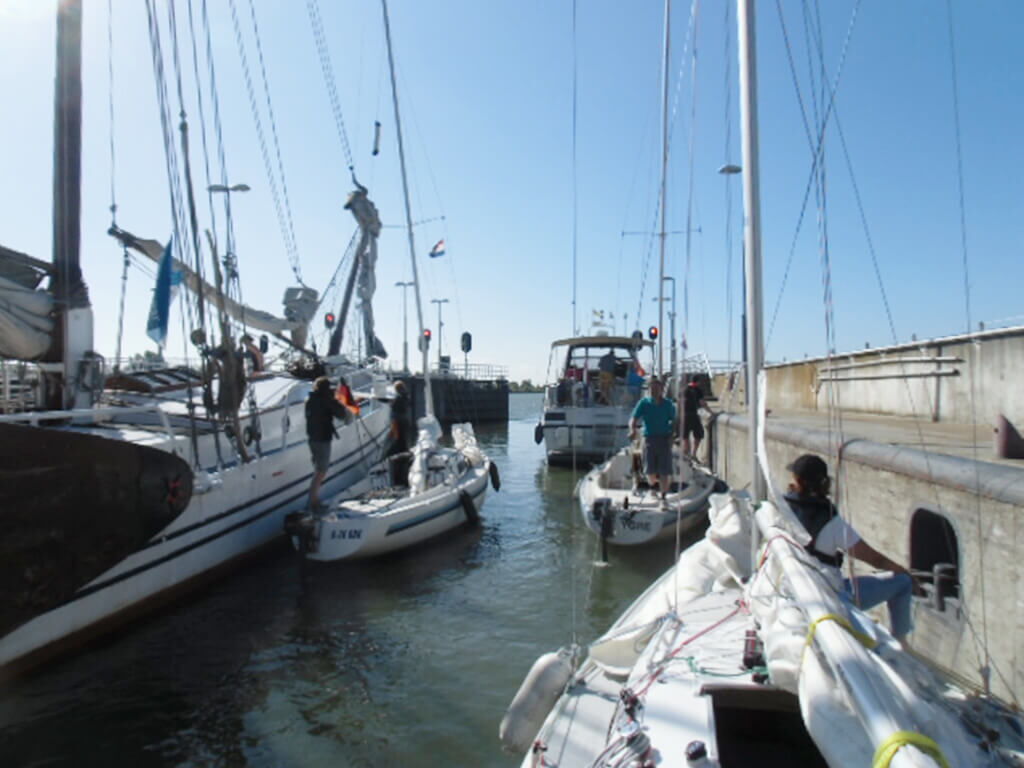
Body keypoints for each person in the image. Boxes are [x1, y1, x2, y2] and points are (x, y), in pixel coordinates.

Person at [784, 453, 918, 644]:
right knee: (903, 582)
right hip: (832, 599)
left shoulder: (780, 510)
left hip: (796, 592)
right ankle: (901, 643)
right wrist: (904, 572)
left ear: (796, 480)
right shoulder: (832, 522)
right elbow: (875, 559)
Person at [305, 376, 351, 511]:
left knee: (318, 469)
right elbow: (342, 415)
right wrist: (339, 399)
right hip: (322, 439)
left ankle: (313, 499)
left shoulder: (310, 400)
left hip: (312, 438)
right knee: (321, 471)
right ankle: (313, 502)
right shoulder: (326, 400)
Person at [629, 378, 676, 505]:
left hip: (664, 439)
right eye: (652, 389)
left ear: (661, 390)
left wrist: (673, 434)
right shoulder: (644, 403)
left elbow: (674, 420)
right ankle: (654, 486)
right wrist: (632, 429)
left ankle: (663, 497)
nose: (654, 391)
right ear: (649, 390)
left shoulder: (668, 404)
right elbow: (633, 418)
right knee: (650, 471)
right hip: (649, 439)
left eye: (657, 388)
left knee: (664, 471)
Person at [680, 376, 707, 458]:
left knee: (685, 436)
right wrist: (711, 412)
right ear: (698, 382)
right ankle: (693, 454)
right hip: (693, 414)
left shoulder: (684, 390)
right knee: (698, 435)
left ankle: (686, 453)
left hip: (684, 415)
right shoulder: (698, 390)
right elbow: (702, 403)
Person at [387, 380, 414, 457]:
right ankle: (404, 452)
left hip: (397, 420)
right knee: (403, 437)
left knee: (398, 438)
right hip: (404, 419)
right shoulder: (406, 395)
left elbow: (394, 405)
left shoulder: (399, 397)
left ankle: (398, 454)